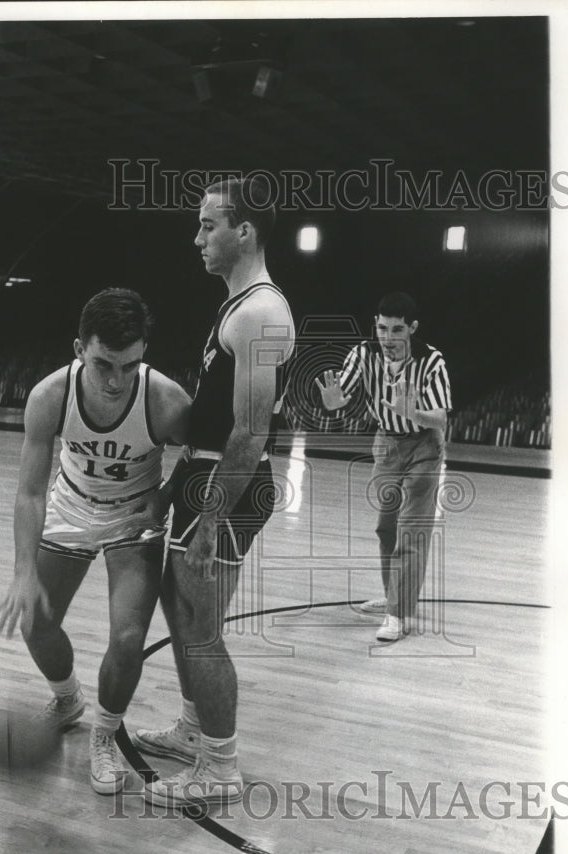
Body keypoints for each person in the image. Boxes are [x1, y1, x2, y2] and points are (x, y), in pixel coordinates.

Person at [132, 177, 295, 807]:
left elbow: (251, 431)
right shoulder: (239, 304)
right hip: (204, 478)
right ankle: (193, 730)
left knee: (201, 631)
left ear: (244, 230)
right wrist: (177, 486)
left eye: (208, 225)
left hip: (227, 489)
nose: (197, 237)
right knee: (182, 617)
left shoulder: (260, 311)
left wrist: (207, 518)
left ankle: (221, 770)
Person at [0, 287, 191, 794]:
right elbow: (30, 492)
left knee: (127, 640)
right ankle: (66, 698)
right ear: (79, 348)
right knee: (36, 620)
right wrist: (22, 570)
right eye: (104, 364)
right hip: (71, 505)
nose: (116, 380)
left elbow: (202, 456)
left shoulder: (166, 400)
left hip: (133, 516)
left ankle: (105, 734)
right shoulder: (49, 396)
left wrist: (165, 498)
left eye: (129, 366)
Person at [315, 292, 452, 642]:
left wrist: (414, 413)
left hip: (425, 445)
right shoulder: (364, 353)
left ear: (412, 328)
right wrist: (331, 402)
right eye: (382, 329)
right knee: (386, 527)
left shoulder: (432, 360)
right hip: (387, 444)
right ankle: (394, 595)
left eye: (396, 330)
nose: (387, 338)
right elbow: (340, 391)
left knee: (411, 531)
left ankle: (398, 614)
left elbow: (439, 416)